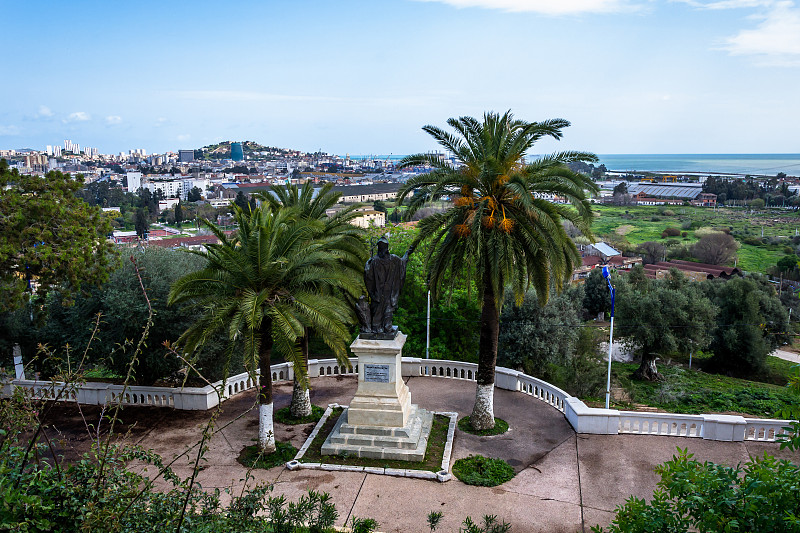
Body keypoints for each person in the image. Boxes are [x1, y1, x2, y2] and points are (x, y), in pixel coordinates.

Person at [363, 236, 414, 335]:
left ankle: (387, 326)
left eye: (383, 247)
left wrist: (407, 253)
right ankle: (377, 328)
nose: (381, 249)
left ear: (386, 248)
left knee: (388, 312)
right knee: (377, 313)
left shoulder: (394, 259)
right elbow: (368, 276)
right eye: (380, 247)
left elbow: (403, 263)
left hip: (390, 292)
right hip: (378, 293)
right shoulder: (374, 261)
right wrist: (367, 267)